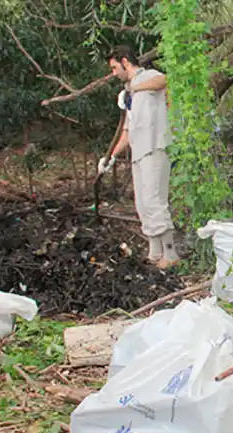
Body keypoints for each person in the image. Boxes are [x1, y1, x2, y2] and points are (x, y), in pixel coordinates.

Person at [96, 46, 178, 268]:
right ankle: (154, 253)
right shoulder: (128, 94)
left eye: (115, 67)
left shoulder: (147, 77)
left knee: (154, 201)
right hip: (138, 152)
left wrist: (135, 87)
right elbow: (126, 131)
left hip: (155, 147)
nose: (113, 73)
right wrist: (111, 157)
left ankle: (170, 254)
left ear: (125, 62)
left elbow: (166, 80)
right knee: (142, 203)